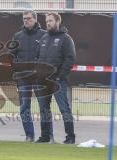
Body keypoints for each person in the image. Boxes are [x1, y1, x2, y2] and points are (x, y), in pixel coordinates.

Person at [12, 10, 54, 143]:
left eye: (29, 18)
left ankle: (48, 136)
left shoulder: (44, 35)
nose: (26, 21)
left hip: (40, 78)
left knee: (44, 107)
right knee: (24, 108)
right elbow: (11, 54)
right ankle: (29, 135)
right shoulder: (17, 36)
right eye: (24, 19)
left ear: (35, 19)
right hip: (23, 78)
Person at [38, 12, 76, 144]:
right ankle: (45, 136)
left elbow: (70, 59)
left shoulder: (66, 39)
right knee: (44, 109)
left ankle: (70, 137)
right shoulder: (43, 38)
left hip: (58, 81)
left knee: (64, 109)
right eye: (47, 21)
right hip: (43, 82)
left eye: (50, 21)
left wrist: (60, 77)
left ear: (57, 21)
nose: (48, 23)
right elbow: (38, 58)